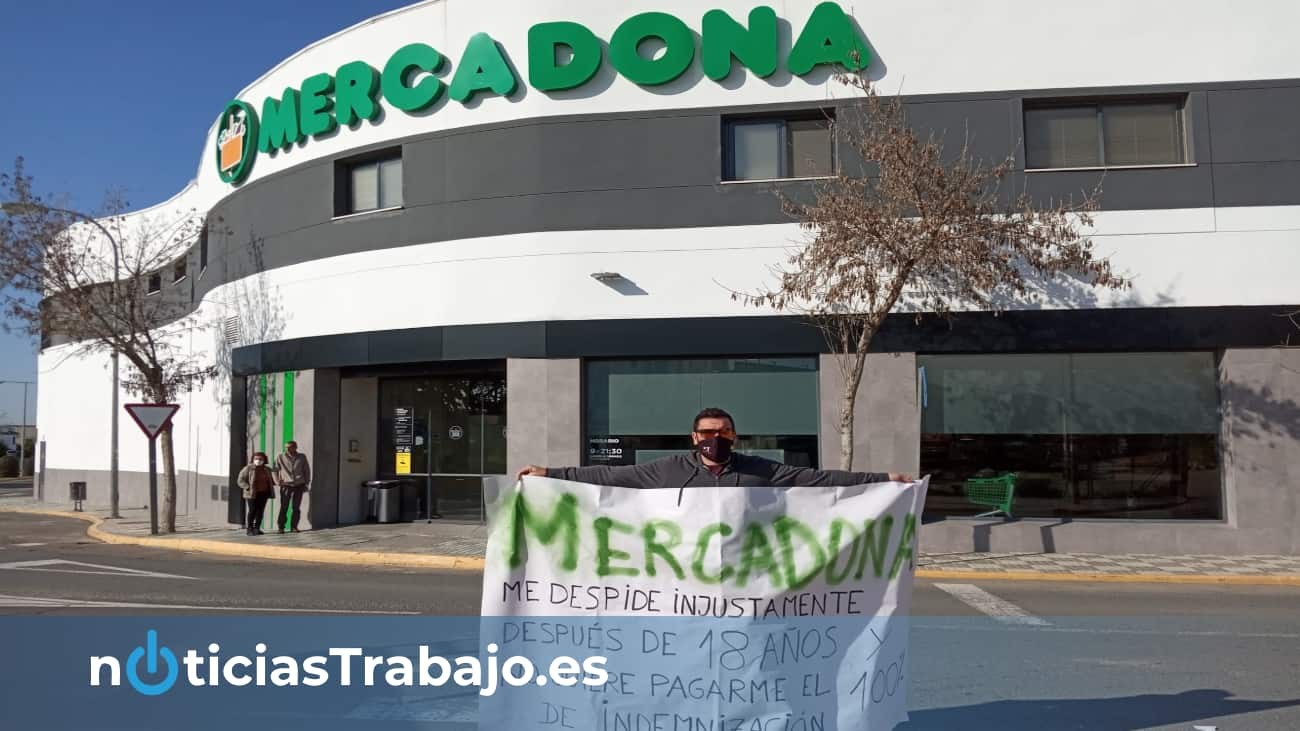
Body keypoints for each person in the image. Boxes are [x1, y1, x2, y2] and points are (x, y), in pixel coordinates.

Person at [516, 408, 912, 497]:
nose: (716, 437)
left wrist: (884, 479)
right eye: (708, 432)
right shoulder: (666, 470)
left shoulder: (761, 470)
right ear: (694, 437)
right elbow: (607, 475)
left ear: (734, 436)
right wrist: (550, 473)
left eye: (724, 431)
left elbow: (820, 480)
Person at [237, 452, 276, 536]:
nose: (258, 460)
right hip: (252, 493)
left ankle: (257, 528)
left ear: (264, 460)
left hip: (264, 493)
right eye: (256, 459)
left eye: (260, 459)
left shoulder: (267, 469)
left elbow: (271, 479)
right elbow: (240, 480)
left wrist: (274, 482)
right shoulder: (248, 468)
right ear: (253, 459)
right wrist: (247, 487)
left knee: (260, 511)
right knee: (252, 511)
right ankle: (249, 529)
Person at [275, 440, 311, 533]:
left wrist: (306, 483)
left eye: (290, 447)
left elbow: (306, 470)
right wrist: (277, 481)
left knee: (296, 507)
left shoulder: (302, 457)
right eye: (286, 447)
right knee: (284, 506)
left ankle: (294, 526)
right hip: (286, 484)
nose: (287, 449)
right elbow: (275, 469)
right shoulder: (280, 457)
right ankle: (281, 527)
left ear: (295, 447)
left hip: (299, 484)